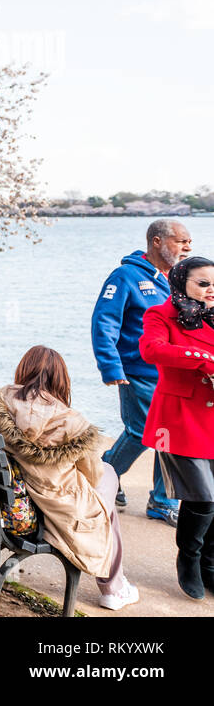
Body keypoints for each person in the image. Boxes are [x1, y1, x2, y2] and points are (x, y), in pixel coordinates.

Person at [0, 346, 139, 611]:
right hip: (44, 511)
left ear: (23, 370)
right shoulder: (74, 423)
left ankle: (114, 585)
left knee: (107, 491)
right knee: (108, 476)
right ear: (62, 381)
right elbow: (92, 474)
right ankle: (113, 587)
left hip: (8, 497)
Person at [91, 218, 191, 525]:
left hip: (172, 373)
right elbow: (104, 322)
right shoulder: (125, 276)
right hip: (137, 371)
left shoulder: (179, 279)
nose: (187, 247)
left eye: (189, 242)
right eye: (180, 241)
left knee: (169, 435)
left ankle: (162, 501)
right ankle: (104, 473)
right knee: (142, 432)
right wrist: (110, 366)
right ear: (157, 241)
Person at [139, 255, 214, 600]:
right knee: (202, 497)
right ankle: (189, 558)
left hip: (210, 418)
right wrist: (204, 361)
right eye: (203, 283)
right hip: (180, 418)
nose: (211, 290)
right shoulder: (161, 314)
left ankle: (209, 564)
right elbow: (152, 350)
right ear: (181, 280)